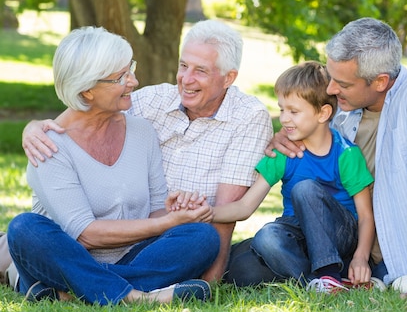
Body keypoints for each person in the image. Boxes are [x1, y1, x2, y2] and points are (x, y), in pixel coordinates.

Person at [20, 20, 274, 283]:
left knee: (201, 237)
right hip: (82, 248)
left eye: (201, 71)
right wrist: (34, 127)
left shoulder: (144, 126)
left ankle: (80, 285)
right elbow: (85, 111)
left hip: (145, 248)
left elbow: (218, 213)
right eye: (183, 66)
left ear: (228, 78)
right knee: (24, 230)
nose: (186, 80)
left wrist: (209, 282)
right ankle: (129, 291)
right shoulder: (149, 102)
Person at [234, 18, 407, 297]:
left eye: (341, 83)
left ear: (380, 81)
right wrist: (287, 136)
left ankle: (339, 279)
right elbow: (311, 124)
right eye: (331, 79)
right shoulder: (343, 104)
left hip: (385, 250)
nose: (330, 90)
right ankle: (328, 282)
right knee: (241, 267)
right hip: (325, 237)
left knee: (252, 265)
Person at [8, 27, 218, 304]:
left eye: (130, 68)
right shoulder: (48, 145)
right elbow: (86, 235)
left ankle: (72, 292)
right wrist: (168, 221)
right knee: (24, 228)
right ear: (87, 90)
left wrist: (175, 212)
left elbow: (156, 215)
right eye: (121, 76)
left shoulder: (141, 131)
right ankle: (137, 297)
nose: (134, 80)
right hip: (69, 255)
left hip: (131, 257)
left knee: (202, 236)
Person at [209, 61, 376, 293]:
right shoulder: (283, 153)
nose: (284, 119)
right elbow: (245, 207)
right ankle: (321, 281)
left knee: (305, 189)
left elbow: (366, 216)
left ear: (323, 113)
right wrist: (205, 213)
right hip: (298, 236)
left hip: (339, 234)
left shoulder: (345, 154)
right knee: (259, 247)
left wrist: (361, 257)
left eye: (294, 111)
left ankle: (328, 272)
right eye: (282, 109)